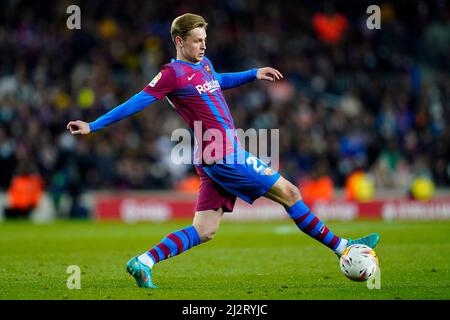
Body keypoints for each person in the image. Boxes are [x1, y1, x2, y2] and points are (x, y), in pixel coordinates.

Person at [67, 13, 379, 288]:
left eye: (205, 40)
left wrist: (253, 73)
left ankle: (144, 262)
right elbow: (136, 101)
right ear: (179, 40)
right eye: (197, 40)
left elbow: (217, 80)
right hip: (222, 154)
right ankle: (344, 247)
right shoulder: (171, 74)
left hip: (213, 158)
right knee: (291, 193)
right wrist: (94, 125)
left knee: (204, 229)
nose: (204, 46)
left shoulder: (204, 64)